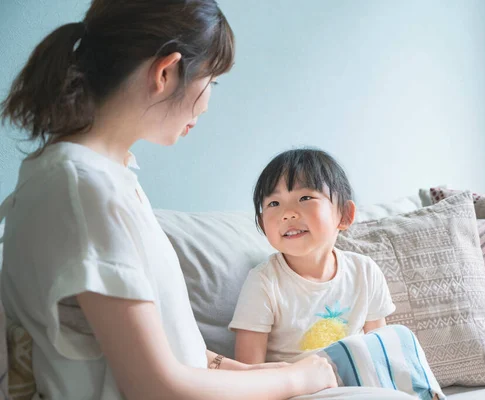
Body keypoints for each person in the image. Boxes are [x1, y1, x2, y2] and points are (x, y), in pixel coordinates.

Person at [0, 1, 337, 399]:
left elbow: (166, 353)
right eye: (211, 81)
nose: (208, 101)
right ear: (165, 72)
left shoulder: (99, 178)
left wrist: (268, 370)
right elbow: (155, 387)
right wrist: (296, 380)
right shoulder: (84, 189)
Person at [230, 149, 396, 364]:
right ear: (262, 224)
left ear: (345, 215)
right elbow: (248, 370)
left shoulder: (364, 271)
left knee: (400, 340)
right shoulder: (264, 282)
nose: (287, 213)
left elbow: (381, 353)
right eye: (274, 203)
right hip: (295, 388)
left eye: (305, 197)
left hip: (358, 382)